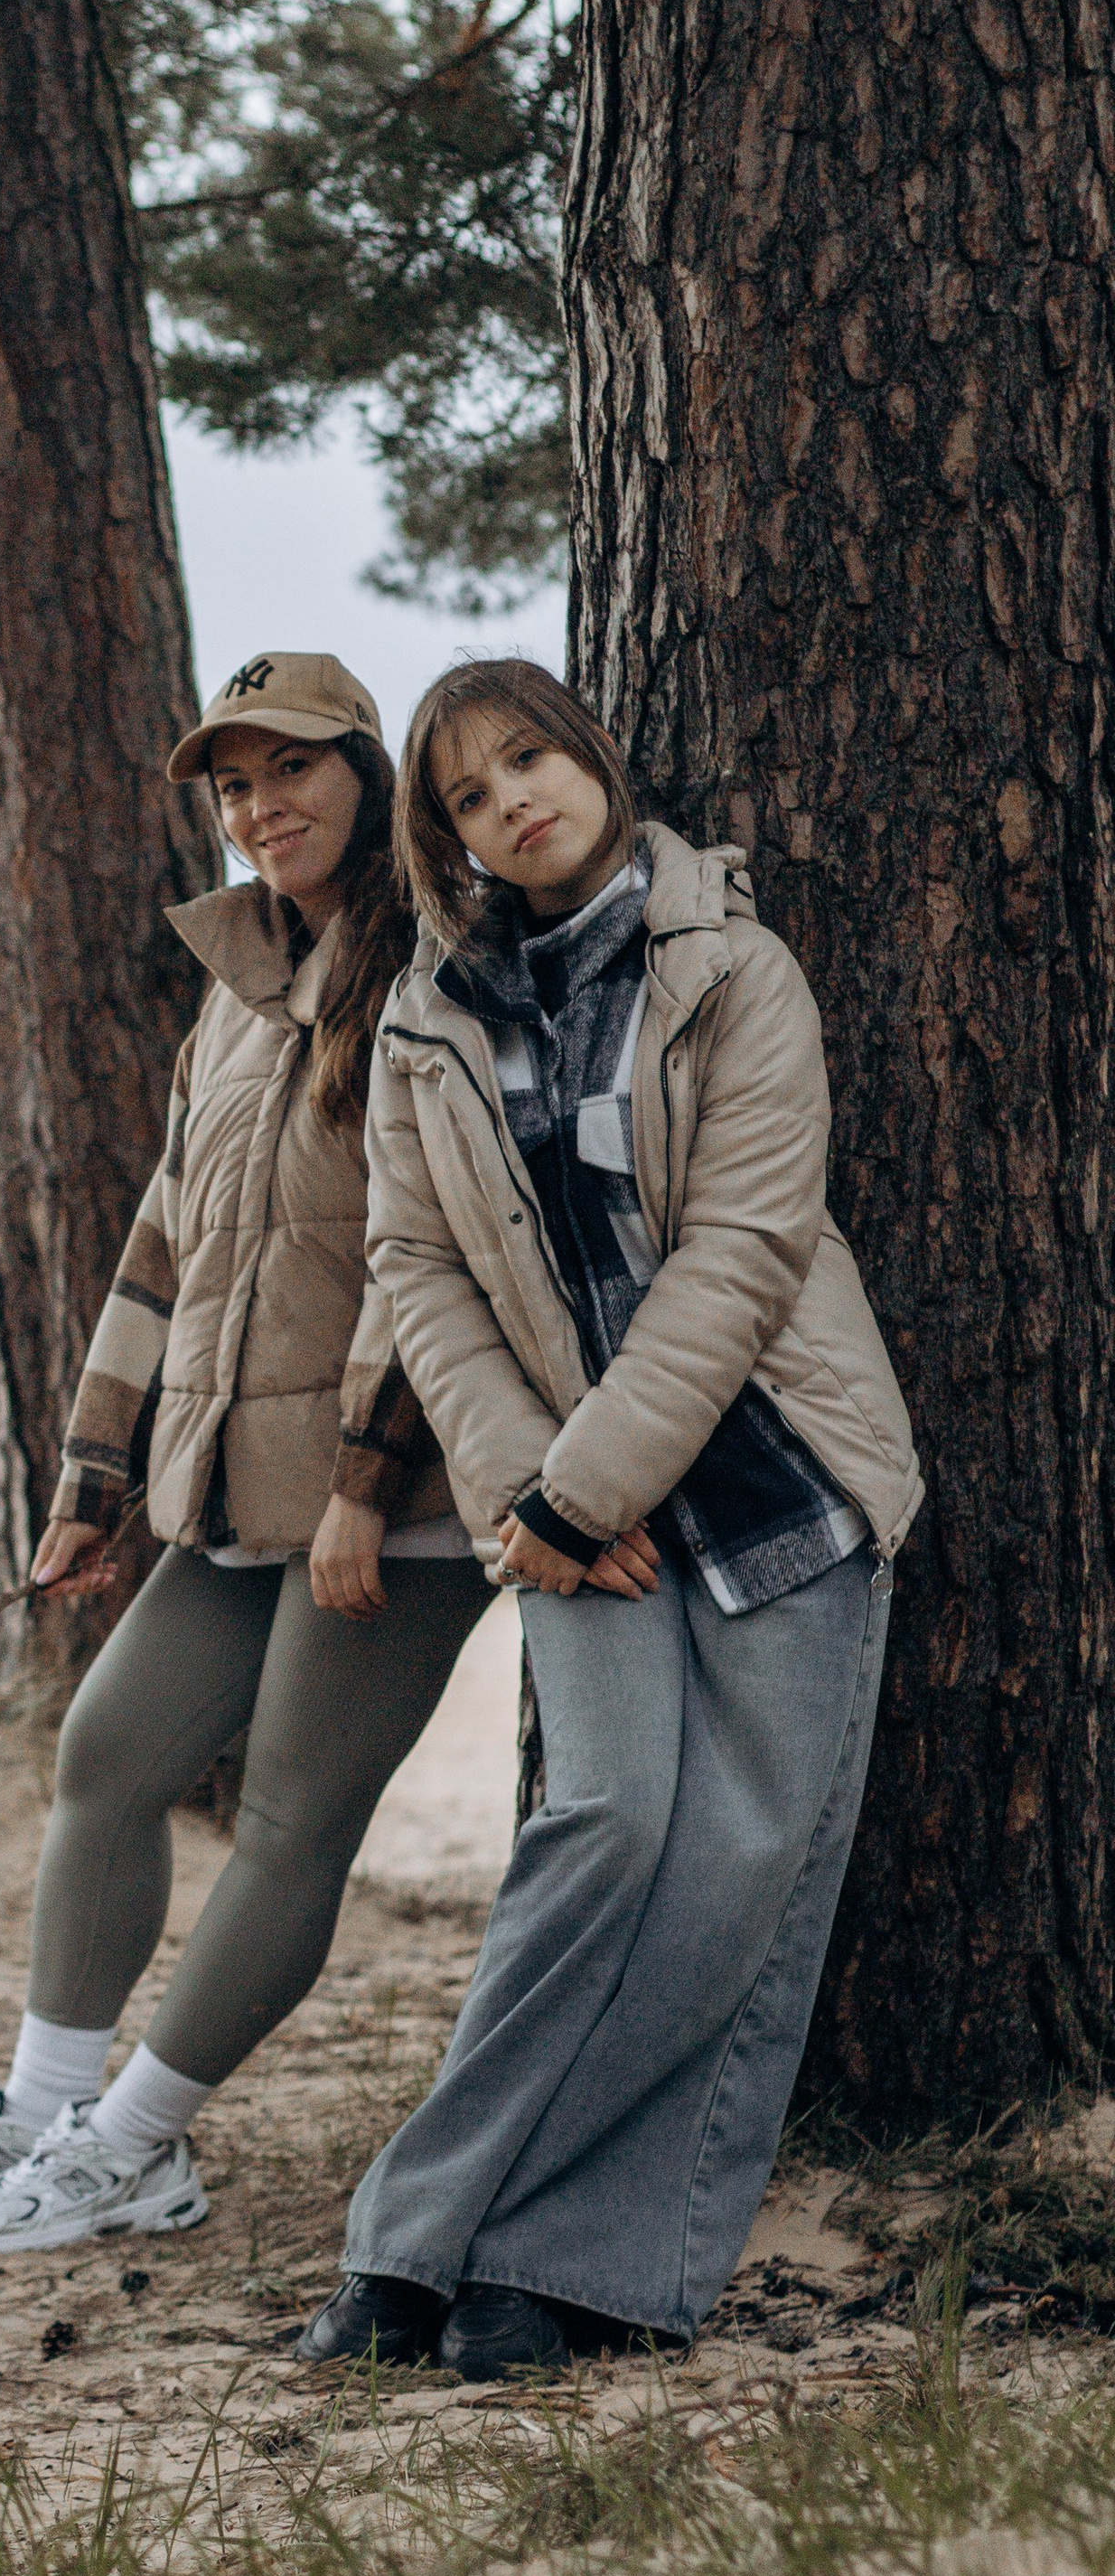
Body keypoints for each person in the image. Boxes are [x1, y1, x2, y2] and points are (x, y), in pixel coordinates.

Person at [298, 657, 922, 2382]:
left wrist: (583, 1489)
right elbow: (417, 1271)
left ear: (591, 754)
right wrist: (531, 1492)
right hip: (565, 1502)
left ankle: (576, 2263)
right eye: (473, 797)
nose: (516, 802)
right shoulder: (427, 1022)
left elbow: (743, 1253)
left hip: (776, 1473)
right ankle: (414, 2236)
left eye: (530, 759)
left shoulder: (734, 969)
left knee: (735, 1871)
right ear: (454, 845)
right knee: (607, 1831)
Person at [0, 653, 496, 2255]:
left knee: (291, 1819)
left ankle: (141, 2142)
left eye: (290, 769)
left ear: (368, 771)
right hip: (228, 1475)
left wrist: (366, 1484)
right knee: (108, 1757)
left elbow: (455, 1245)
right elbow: (170, 1242)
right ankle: (39, 2104)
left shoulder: (445, 961)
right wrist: (97, 1482)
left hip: (399, 1488)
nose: (259, 807)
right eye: (232, 786)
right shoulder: (235, 984)